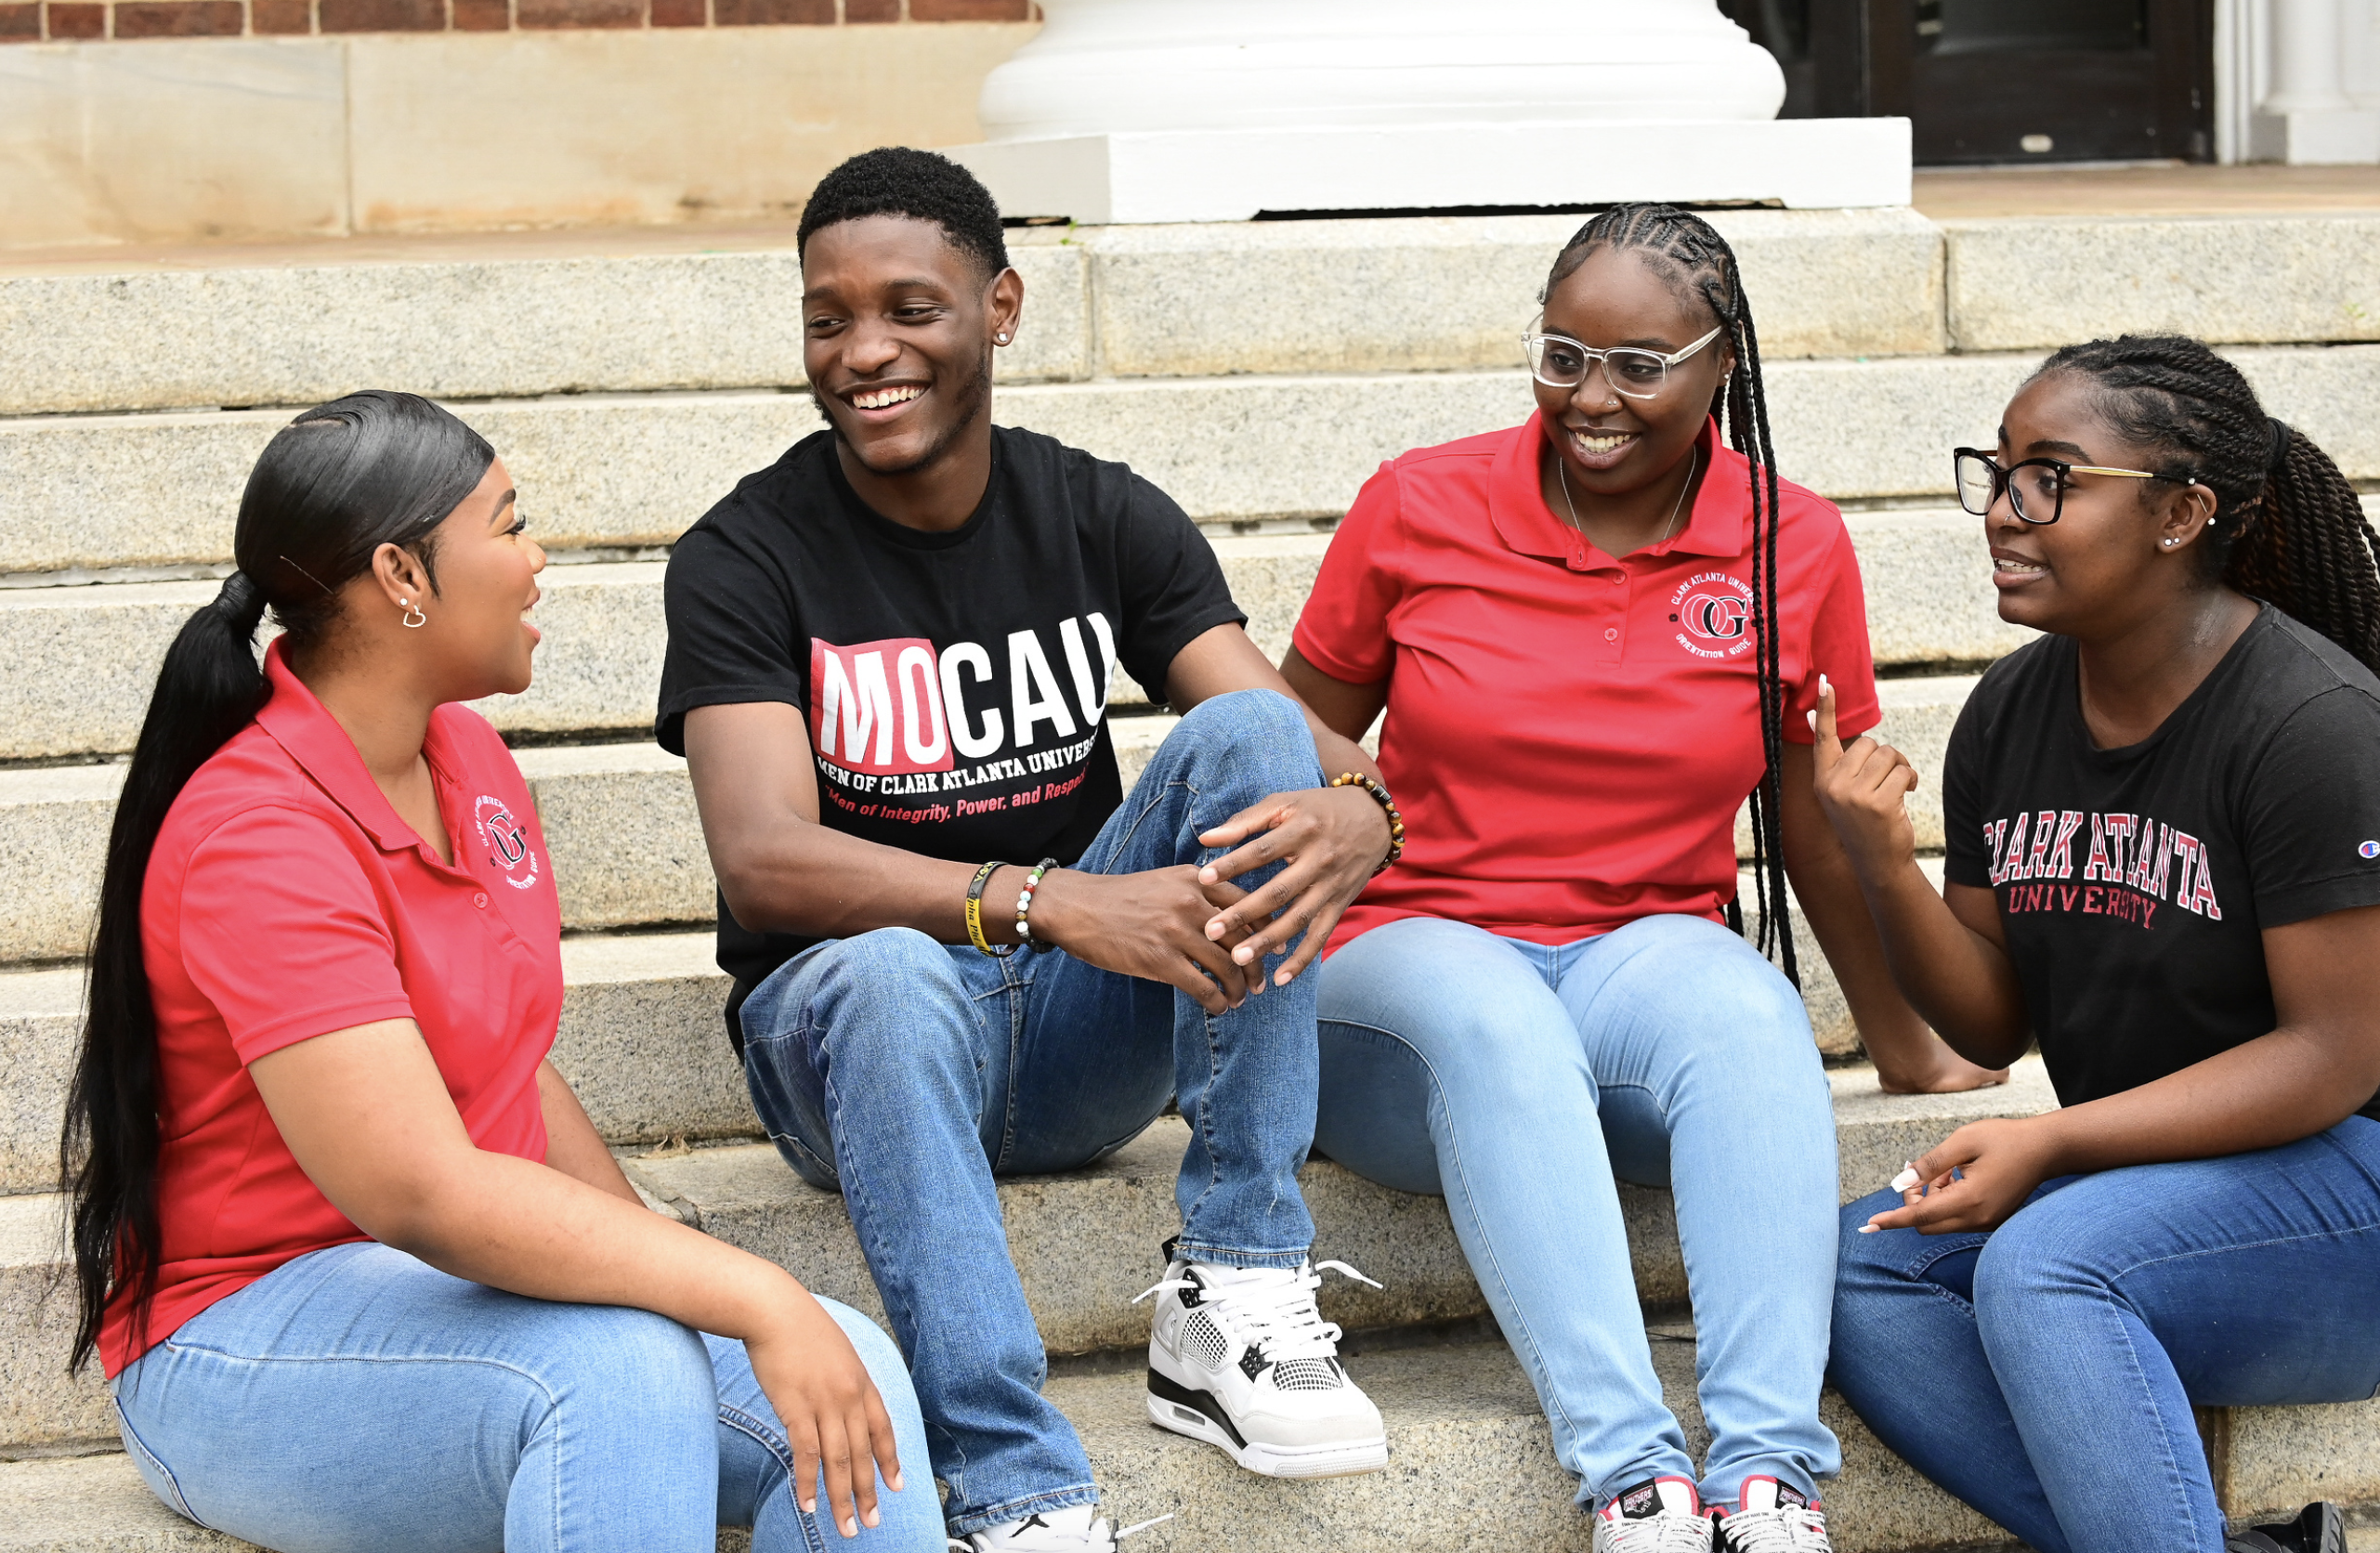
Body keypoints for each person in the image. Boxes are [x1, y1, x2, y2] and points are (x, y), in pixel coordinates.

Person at [655, 149, 1401, 1553]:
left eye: (908, 309)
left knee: (1248, 738)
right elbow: (762, 861)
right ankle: (1013, 1490)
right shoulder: (745, 555)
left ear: (997, 308)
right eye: (828, 319)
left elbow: (1296, 742)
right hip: (858, 1041)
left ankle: (1235, 1285)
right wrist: (1053, 903)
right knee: (877, 971)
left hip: (1070, 1039)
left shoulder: (1095, 510)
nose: (864, 352)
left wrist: (1366, 808)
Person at [61, 391, 937, 1553]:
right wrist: (743, 1290)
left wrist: (672, 1270)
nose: (537, 559)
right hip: (242, 1338)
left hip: (448, 1299)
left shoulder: (463, 755)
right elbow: (421, 1189)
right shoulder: (258, 836)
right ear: (402, 576)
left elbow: (509, 1072)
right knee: (617, 1370)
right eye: (510, 522)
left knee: (850, 1364)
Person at [1271, 203, 1997, 1553]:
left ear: (1723, 363)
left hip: (1632, 963)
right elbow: (1288, 736)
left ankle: (1768, 1481)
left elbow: (1804, 799)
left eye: (1637, 365)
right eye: (1561, 357)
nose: (1589, 400)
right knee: (1493, 1017)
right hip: (1401, 979)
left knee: (1738, 1014)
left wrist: (1897, 1035)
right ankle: (1629, 1483)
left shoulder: (1792, 541)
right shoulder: (1418, 504)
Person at [1819, 334, 2380, 1553]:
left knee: (2046, 1261)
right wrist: (1877, 858)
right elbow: (1986, 1022)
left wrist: (2057, 1140)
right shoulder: (2010, 711)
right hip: (2152, 1187)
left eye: (2052, 477)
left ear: (2180, 514)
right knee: (1853, 1267)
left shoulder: (2312, 727)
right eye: (2000, 471)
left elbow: (2332, 1058)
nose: (2004, 510)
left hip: (2347, 1189)